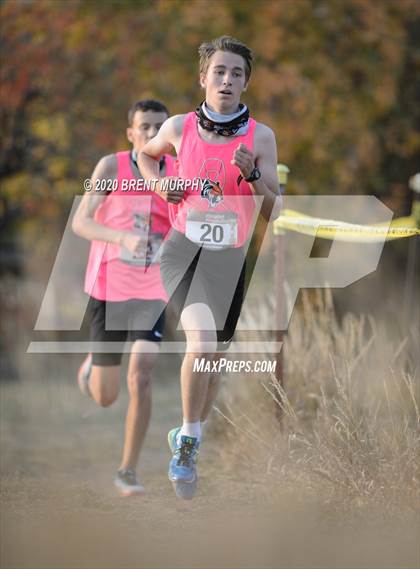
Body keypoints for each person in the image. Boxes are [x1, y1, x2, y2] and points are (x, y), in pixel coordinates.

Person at [138, 36, 281, 499]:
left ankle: (188, 437)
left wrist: (254, 175)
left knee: (214, 362)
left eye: (237, 73)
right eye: (219, 71)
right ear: (203, 78)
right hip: (183, 252)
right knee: (200, 343)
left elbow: (276, 210)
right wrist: (161, 187)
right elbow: (146, 155)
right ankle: (187, 444)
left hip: (229, 260)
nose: (227, 80)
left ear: (245, 83)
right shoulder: (179, 127)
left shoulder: (260, 137)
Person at [72, 99, 175, 496]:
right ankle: (91, 369)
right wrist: (121, 238)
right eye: (144, 127)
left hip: (153, 287)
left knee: (143, 375)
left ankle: (127, 471)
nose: (152, 134)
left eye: (159, 127)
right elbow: (81, 221)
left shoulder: (179, 170)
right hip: (109, 285)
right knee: (105, 397)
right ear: (131, 133)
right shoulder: (110, 167)